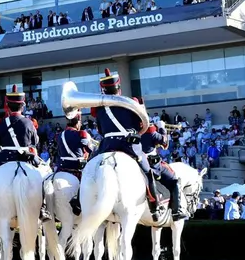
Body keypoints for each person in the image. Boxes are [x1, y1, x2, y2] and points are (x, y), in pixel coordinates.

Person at [91, 68, 164, 221]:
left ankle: (78, 201)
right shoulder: (131, 103)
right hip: (128, 144)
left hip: (107, 145)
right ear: (119, 87)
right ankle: (154, 203)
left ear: (103, 89)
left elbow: (99, 129)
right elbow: (139, 125)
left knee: (89, 168)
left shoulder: (98, 107)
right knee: (147, 170)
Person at [0, 86, 42, 223]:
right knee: (44, 179)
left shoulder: (2, 124)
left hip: (4, 158)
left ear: (8, 106)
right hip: (26, 158)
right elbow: (35, 141)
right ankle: (43, 208)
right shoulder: (29, 122)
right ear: (22, 105)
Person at [136, 124, 187, 221]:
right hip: (150, 164)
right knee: (174, 180)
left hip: (134, 162)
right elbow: (165, 144)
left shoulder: (130, 130)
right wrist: (162, 128)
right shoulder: (150, 131)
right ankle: (176, 211)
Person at [56, 111, 94, 215]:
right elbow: (91, 150)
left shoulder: (60, 135)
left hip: (61, 168)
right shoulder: (82, 134)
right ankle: (79, 202)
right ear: (77, 122)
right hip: (77, 169)